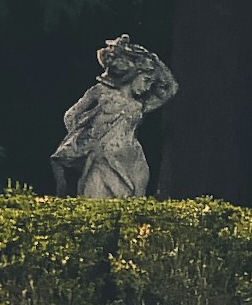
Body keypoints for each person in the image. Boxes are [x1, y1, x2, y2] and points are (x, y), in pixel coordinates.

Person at [51, 35, 177, 199]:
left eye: (151, 84)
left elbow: (170, 88)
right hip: (102, 159)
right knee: (97, 204)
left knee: (133, 209)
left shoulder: (140, 104)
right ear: (134, 74)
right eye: (146, 80)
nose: (147, 88)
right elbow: (71, 115)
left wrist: (153, 59)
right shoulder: (100, 91)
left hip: (132, 159)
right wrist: (86, 136)